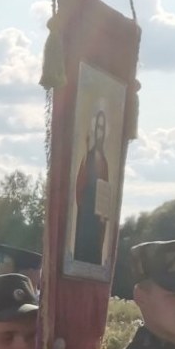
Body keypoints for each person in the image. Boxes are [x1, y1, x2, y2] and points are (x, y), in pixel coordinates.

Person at [72, 106, 110, 265]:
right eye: (97, 128)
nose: (99, 132)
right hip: (87, 212)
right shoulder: (88, 156)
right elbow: (79, 185)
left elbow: (106, 189)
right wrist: (85, 205)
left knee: (95, 251)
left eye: (102, 128)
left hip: (97, 217)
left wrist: (103, 213)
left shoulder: (104, 161)